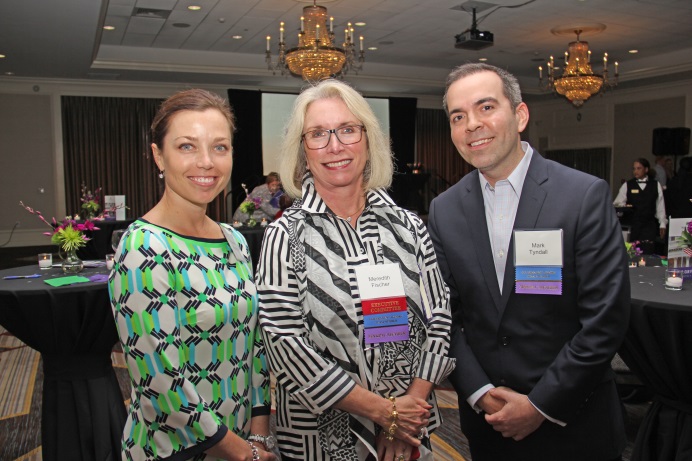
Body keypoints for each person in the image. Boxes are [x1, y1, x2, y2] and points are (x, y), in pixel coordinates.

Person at [427, 63, 630, 461]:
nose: (472, 124)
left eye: (486, 107)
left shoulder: (582, 195)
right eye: (458, 116)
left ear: (519, 116)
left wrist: (539, 405)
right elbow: (443, 316)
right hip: (488, 426)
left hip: (573, 423)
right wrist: (480, 393)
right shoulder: (443, 210)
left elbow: (605, 320)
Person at [255, 79, 455, 461]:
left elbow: (441, 320)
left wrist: (405, 416)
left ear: (368, 138)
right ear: (302, 150)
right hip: (321, 442)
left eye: (347, 129)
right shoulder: (284, 236)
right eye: (318, 134)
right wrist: (382, 412)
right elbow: (284, 346)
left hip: (409, 436)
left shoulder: (409, 227)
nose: (335, 145)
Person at [109, 89, 276, 461]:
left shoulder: (232, 239)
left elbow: (255, 345)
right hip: (176, 450)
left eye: (220, 147)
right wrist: (242, 452)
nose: (206, 162)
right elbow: (159, 381)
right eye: (187, 146)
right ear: (158, 155)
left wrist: (260, 433)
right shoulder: (143, 247)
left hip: (242, 438)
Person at [613, 158, 667, 242]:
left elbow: (660, 206)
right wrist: (625, 208)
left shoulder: (656, 185)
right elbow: (617, 204)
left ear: (646, 169)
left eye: (639, 168)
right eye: (634, 168)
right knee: (632, 252)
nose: (635, 171)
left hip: (649, 225)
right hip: (633, 225)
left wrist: (662, 224)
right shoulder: (627, 185)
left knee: (648, 251)